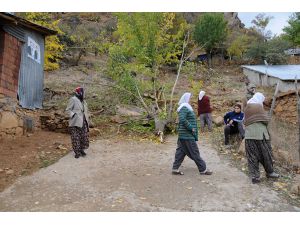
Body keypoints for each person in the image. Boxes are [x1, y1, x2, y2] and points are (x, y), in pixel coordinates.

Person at [172, 92, 212, 175]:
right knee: (194, 152)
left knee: (181, 151)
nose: (190, 99)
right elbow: (182, 119)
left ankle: (175, 168)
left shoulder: (185, 107)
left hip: (184, 135)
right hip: (187, 135)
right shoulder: (184, 107)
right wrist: (191, 128)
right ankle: (203, 169)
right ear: (186, 99)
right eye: (190, 98)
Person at [244, 92, 279, 183]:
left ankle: (255, 177)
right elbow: (265, 121)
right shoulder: (258, 106)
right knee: (266, 155)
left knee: (252, 156)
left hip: (249, 135)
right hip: (260, 135)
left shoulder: (247, 106)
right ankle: (270, 172)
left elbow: (245, 121)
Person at [66, 87, 90, 158]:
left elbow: (85, 111)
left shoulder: (84, 101)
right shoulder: (73, 99)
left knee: (84, 136)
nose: (84, 94)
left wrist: (88, 118)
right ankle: (77, 152)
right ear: (79, 92)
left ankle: (82, 150)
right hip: (75, 121)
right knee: (75, 137)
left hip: (84, 121)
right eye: (83, 92)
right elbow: (68, 110)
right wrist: (73, 115)